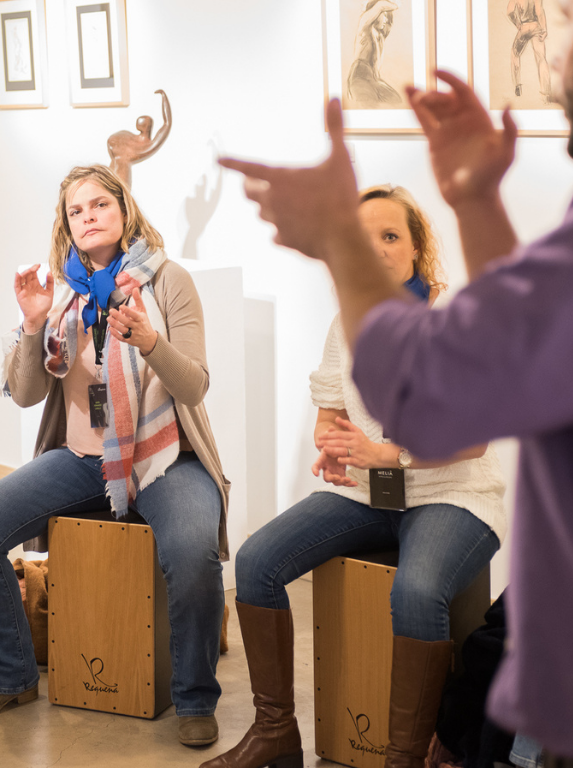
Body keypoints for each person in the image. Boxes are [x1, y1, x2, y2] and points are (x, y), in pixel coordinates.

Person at [219, 0, 573, 766]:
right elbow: (537, 362)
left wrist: (339, 238)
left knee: (418, 591)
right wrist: (475, 200)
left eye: (566, 21)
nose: (553, 56)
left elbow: (436, 401)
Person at [203, 185, 505, 768]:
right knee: (256, 562)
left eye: (390, 236)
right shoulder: (348, 323)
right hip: (373, 495)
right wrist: (336, 446)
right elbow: (331, 414)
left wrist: (387, 454)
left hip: (456, 496)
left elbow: (476, 438)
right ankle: (276, 734)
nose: (377, 250)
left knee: (415, 592)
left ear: (417, 251)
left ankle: (402, 758)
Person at [0, 165, 230, 748]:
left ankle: (195, 698)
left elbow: (196, 386)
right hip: (83, 458)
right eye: (76, 211)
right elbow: (28, 394)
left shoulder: (167, 280)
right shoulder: (62, 296)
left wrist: (150, 343)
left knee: (193, 553)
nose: (88, 217)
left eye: (99, 204)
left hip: (163, 458)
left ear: (123, 210)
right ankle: (10, 676)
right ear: (66, 226)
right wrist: (32, 325)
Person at [346, 0, 403, 108]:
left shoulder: (380, 36)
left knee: (396, 99)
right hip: (360, 77)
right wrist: (396, 5)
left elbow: (388, 23)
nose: (386, 20)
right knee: (370, 108)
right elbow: (381, 6)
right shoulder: (365, 27)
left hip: (374, 79)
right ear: (375, 15)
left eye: (387, 17)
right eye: (384, 16)